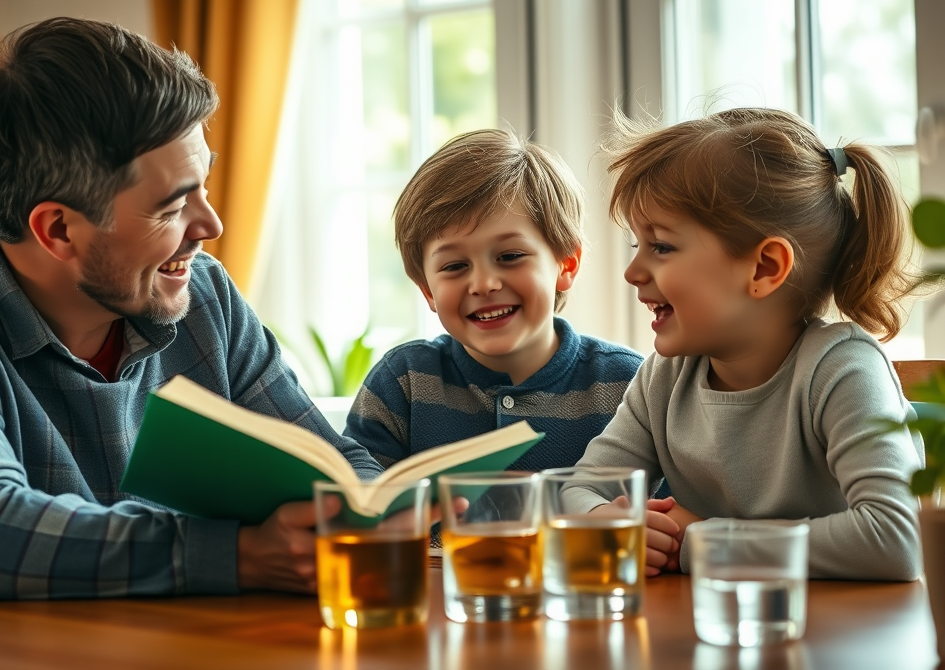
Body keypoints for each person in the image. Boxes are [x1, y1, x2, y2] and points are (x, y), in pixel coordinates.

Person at [0, 17, 383, 606]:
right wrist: (239, 555)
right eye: (171, 208)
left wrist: (372, 508)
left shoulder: (203, 297)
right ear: (58, 229)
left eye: (204, 187)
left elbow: (332, 464)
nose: (212, 227)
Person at [574, 107, 923, 580]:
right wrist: (606, 523)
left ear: (763, 269)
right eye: (636, 246)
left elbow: (896, 539)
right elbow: (577, 490)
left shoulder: (842, 371)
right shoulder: (665, 376)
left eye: (661, 247)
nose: (632, 272)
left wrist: (705, 543)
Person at [344, 129, 644, 476]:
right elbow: (361, 498)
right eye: (455, 266)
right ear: (427, 290)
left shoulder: (629, 385)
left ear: (566, 264)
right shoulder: (402, 382)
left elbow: (667, 513)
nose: (484, 284)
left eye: (510, 256)